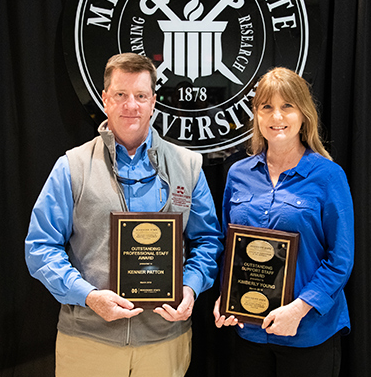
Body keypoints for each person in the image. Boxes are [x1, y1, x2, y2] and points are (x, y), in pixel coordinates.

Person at [25, 53, 224, 377]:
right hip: (88, 342)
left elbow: (207, 241)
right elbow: (40, 247)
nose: (131, 105)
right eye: (120, 95)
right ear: (105, 99)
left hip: (164, 341)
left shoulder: (187, 166)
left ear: (153, 102)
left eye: (140, 96)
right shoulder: (72, 167)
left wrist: (189, 287)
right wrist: (88, 296)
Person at [213, 67, 354, 376]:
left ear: (303, 113)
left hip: (308, 333)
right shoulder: (237, 175)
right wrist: (227, 295)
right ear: (256, 115)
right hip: (249, 331)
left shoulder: (329, 177)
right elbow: (228, 247)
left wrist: (299, 309)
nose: (277, 117)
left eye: (286, 106)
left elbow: (340, 260)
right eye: (267, 107)